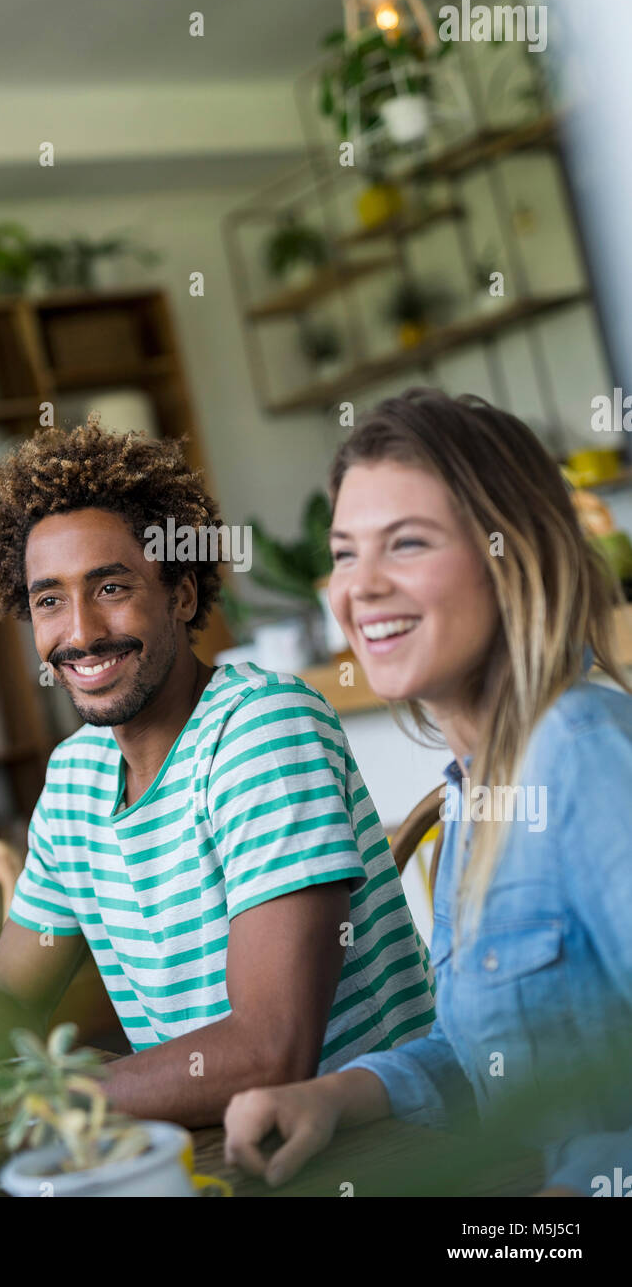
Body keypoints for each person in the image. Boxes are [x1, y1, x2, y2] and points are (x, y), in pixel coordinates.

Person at [0, 417, 434, 1138]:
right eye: (49, 600)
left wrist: (44, 1097)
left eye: (111, 587)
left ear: (181, 595)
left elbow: (268, 1051)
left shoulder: (263, 730)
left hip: (382, 1150)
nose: (82, 632)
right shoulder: (74, 780)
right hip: (219, 1149)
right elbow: (5, 991)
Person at [224, 388, 632, 1196]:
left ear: (511, 554)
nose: (360, 587)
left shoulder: (579, 752)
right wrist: (330, 1095)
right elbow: (482, 1045)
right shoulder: (475, 786)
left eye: (405, 544)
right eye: (344, 553)